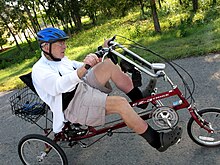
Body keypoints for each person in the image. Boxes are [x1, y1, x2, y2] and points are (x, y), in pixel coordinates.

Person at [32, 27, 182, 152]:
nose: (64, 46)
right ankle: (157, 141)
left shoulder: (60, 59)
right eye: (60, 43)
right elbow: (60, 85)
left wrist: (100, 53)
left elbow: (77, 67)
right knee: (120, 104)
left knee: (108, 65)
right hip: (72, 105)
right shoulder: (40, 70)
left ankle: (139, 99)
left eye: (64, 42)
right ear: (46, 47)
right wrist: (85, 67)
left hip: (82, 87)